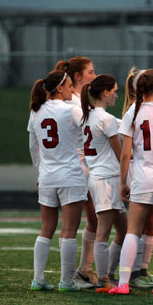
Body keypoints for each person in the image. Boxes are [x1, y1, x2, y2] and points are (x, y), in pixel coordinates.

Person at [110, 69, 153, 295]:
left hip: (142, 178)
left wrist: (122, 181)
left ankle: (124, 283)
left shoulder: (133, 112)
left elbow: (125, 153)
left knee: (133, 230)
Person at [28, 70, 87, 291]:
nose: (74, 89)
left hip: (47, 177)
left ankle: (38, 279)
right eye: (70, 85)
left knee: (46, 229)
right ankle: (66, 280)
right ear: (60, 88)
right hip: (70, 175)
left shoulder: (36, 111)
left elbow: (34, 147)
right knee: (69, 230)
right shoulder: (72, 110)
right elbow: (88, 133)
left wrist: (39, 173)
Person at [79, 74, 127, 293]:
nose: (117, 95)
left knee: (124, 230)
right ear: (105, 92)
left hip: (103, 177)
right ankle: (104, 279)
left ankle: (108, 273)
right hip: (106, 179)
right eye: (115, 91)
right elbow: (121, 154)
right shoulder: (104, 119)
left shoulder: (90, 116)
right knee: (104, 232)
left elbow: (124, 125)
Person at [54, 57, 99, 288]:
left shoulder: (76, 102)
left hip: (80, 167)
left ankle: (83, 270)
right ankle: (75, 274)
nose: (94, 76)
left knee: (94, 219)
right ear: (78, 77)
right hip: (79, 168)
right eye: (90, 72)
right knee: (79, 223)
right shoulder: (72, 104)